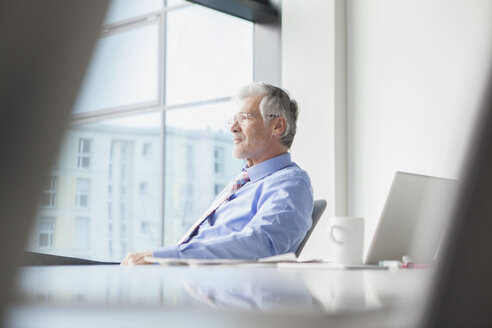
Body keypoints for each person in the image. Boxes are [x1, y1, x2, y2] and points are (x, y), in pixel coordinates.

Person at [121, 82, 314, 266]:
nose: (233, 128)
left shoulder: (291, 184)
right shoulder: (241, 183)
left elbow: (263, 244)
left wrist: (163, 258)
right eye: (233, 120)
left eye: (245, 118)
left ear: (277, 126)